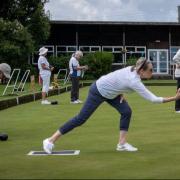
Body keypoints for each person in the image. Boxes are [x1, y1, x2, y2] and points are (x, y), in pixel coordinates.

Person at [43, 57, 180, 154]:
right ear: (141, 71)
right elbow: (153, 99)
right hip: (98, 90)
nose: (152, 71)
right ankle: (50, 140)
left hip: (112, 93)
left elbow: (116, 78)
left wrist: (120, 92)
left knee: (126, 111)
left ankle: (121, 144)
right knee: (81, 118)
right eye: (150, 70)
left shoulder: (132, 70)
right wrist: (175, 98)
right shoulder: (134, 81)